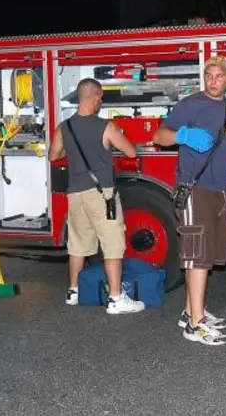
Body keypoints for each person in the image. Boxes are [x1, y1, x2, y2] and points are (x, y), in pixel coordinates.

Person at [154, 55, 226, 345]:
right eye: (209, 75)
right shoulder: (190, 105)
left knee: (207, 256)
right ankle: (196, 325)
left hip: (220, 189)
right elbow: (160, 135)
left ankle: (191, 311)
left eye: (219, 76)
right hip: (195, 188)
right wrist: (183, 135)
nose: (213, 80)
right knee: (197, 258)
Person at [49, 78, 145, 314]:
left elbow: (53, 155)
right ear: (93, 97)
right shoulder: (106, 127)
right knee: (112, 244)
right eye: (100, 98)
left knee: (77, 244)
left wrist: (71, 148)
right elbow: (131, 152)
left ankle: (74, 291)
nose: (101, 102)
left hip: (75, 194)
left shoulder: (64, 127)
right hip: (102, 194)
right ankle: (116, 298)